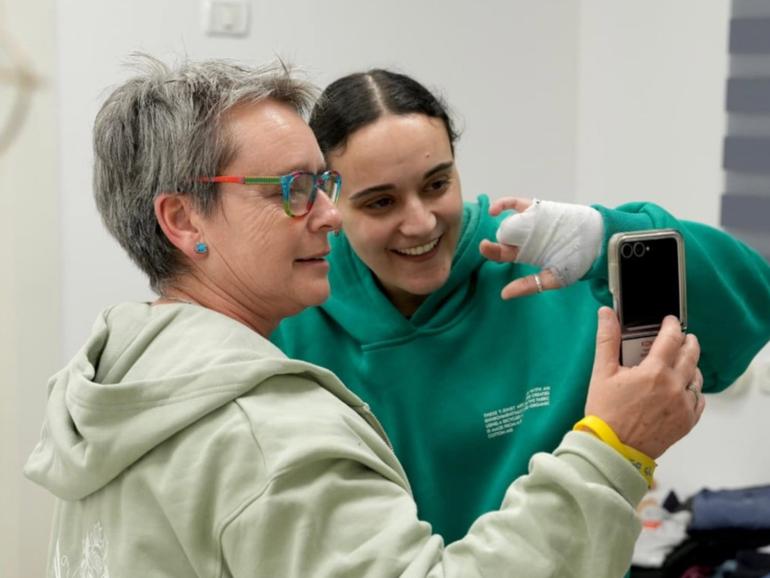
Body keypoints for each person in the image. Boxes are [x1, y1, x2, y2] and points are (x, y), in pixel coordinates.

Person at [24, 56, 705, 578]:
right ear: (182, 219)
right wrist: (612, 451)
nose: (328, 214)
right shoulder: (265, 433)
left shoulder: (121, 384)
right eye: (294, 190)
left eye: (323, 185)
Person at [271, 68, 770, 543]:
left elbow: (749, 306)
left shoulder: (547, 264)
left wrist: (607, 236)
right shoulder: (291, 310)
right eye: (381, 202)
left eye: (437, 184)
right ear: (328, 199)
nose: (420, 223)